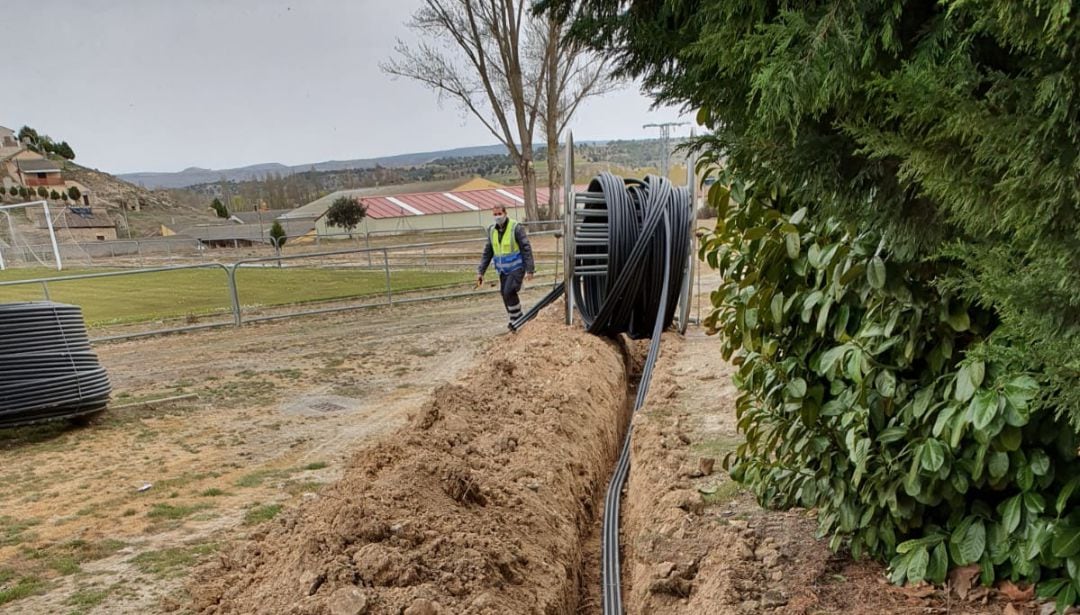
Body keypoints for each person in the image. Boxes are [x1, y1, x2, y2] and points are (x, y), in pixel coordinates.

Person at [477, 204, 534, 329]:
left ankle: (517, 319)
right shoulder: (492, 230)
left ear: (505, 213)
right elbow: (488, 252)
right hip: (503, 270)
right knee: (504, 293)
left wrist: (530, 269)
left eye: (499, 214)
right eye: (495, 214)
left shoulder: (516, 228)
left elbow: (526, 248)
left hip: (517, 267)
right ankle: (515, 319)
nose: (497, 217)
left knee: (509, 291)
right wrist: (481, 271)